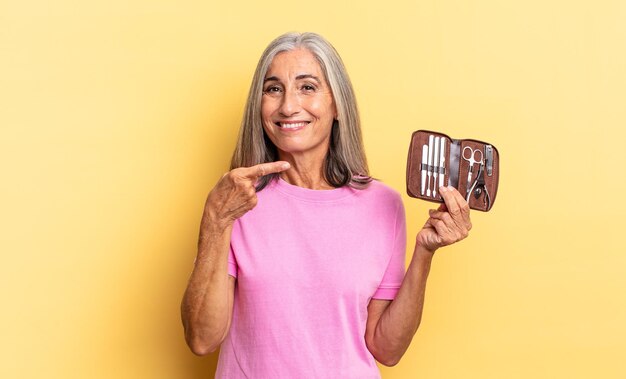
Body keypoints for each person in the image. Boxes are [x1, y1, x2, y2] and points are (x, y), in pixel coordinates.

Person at [181, 32, 472, 378]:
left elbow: (386, 349)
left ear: (336, 105)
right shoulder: (237, 202)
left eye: (307, 87)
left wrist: (424, 253)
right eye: (274, 88)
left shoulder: (383, 204)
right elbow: (202, 339)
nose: (288, 106)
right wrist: (215, 220)